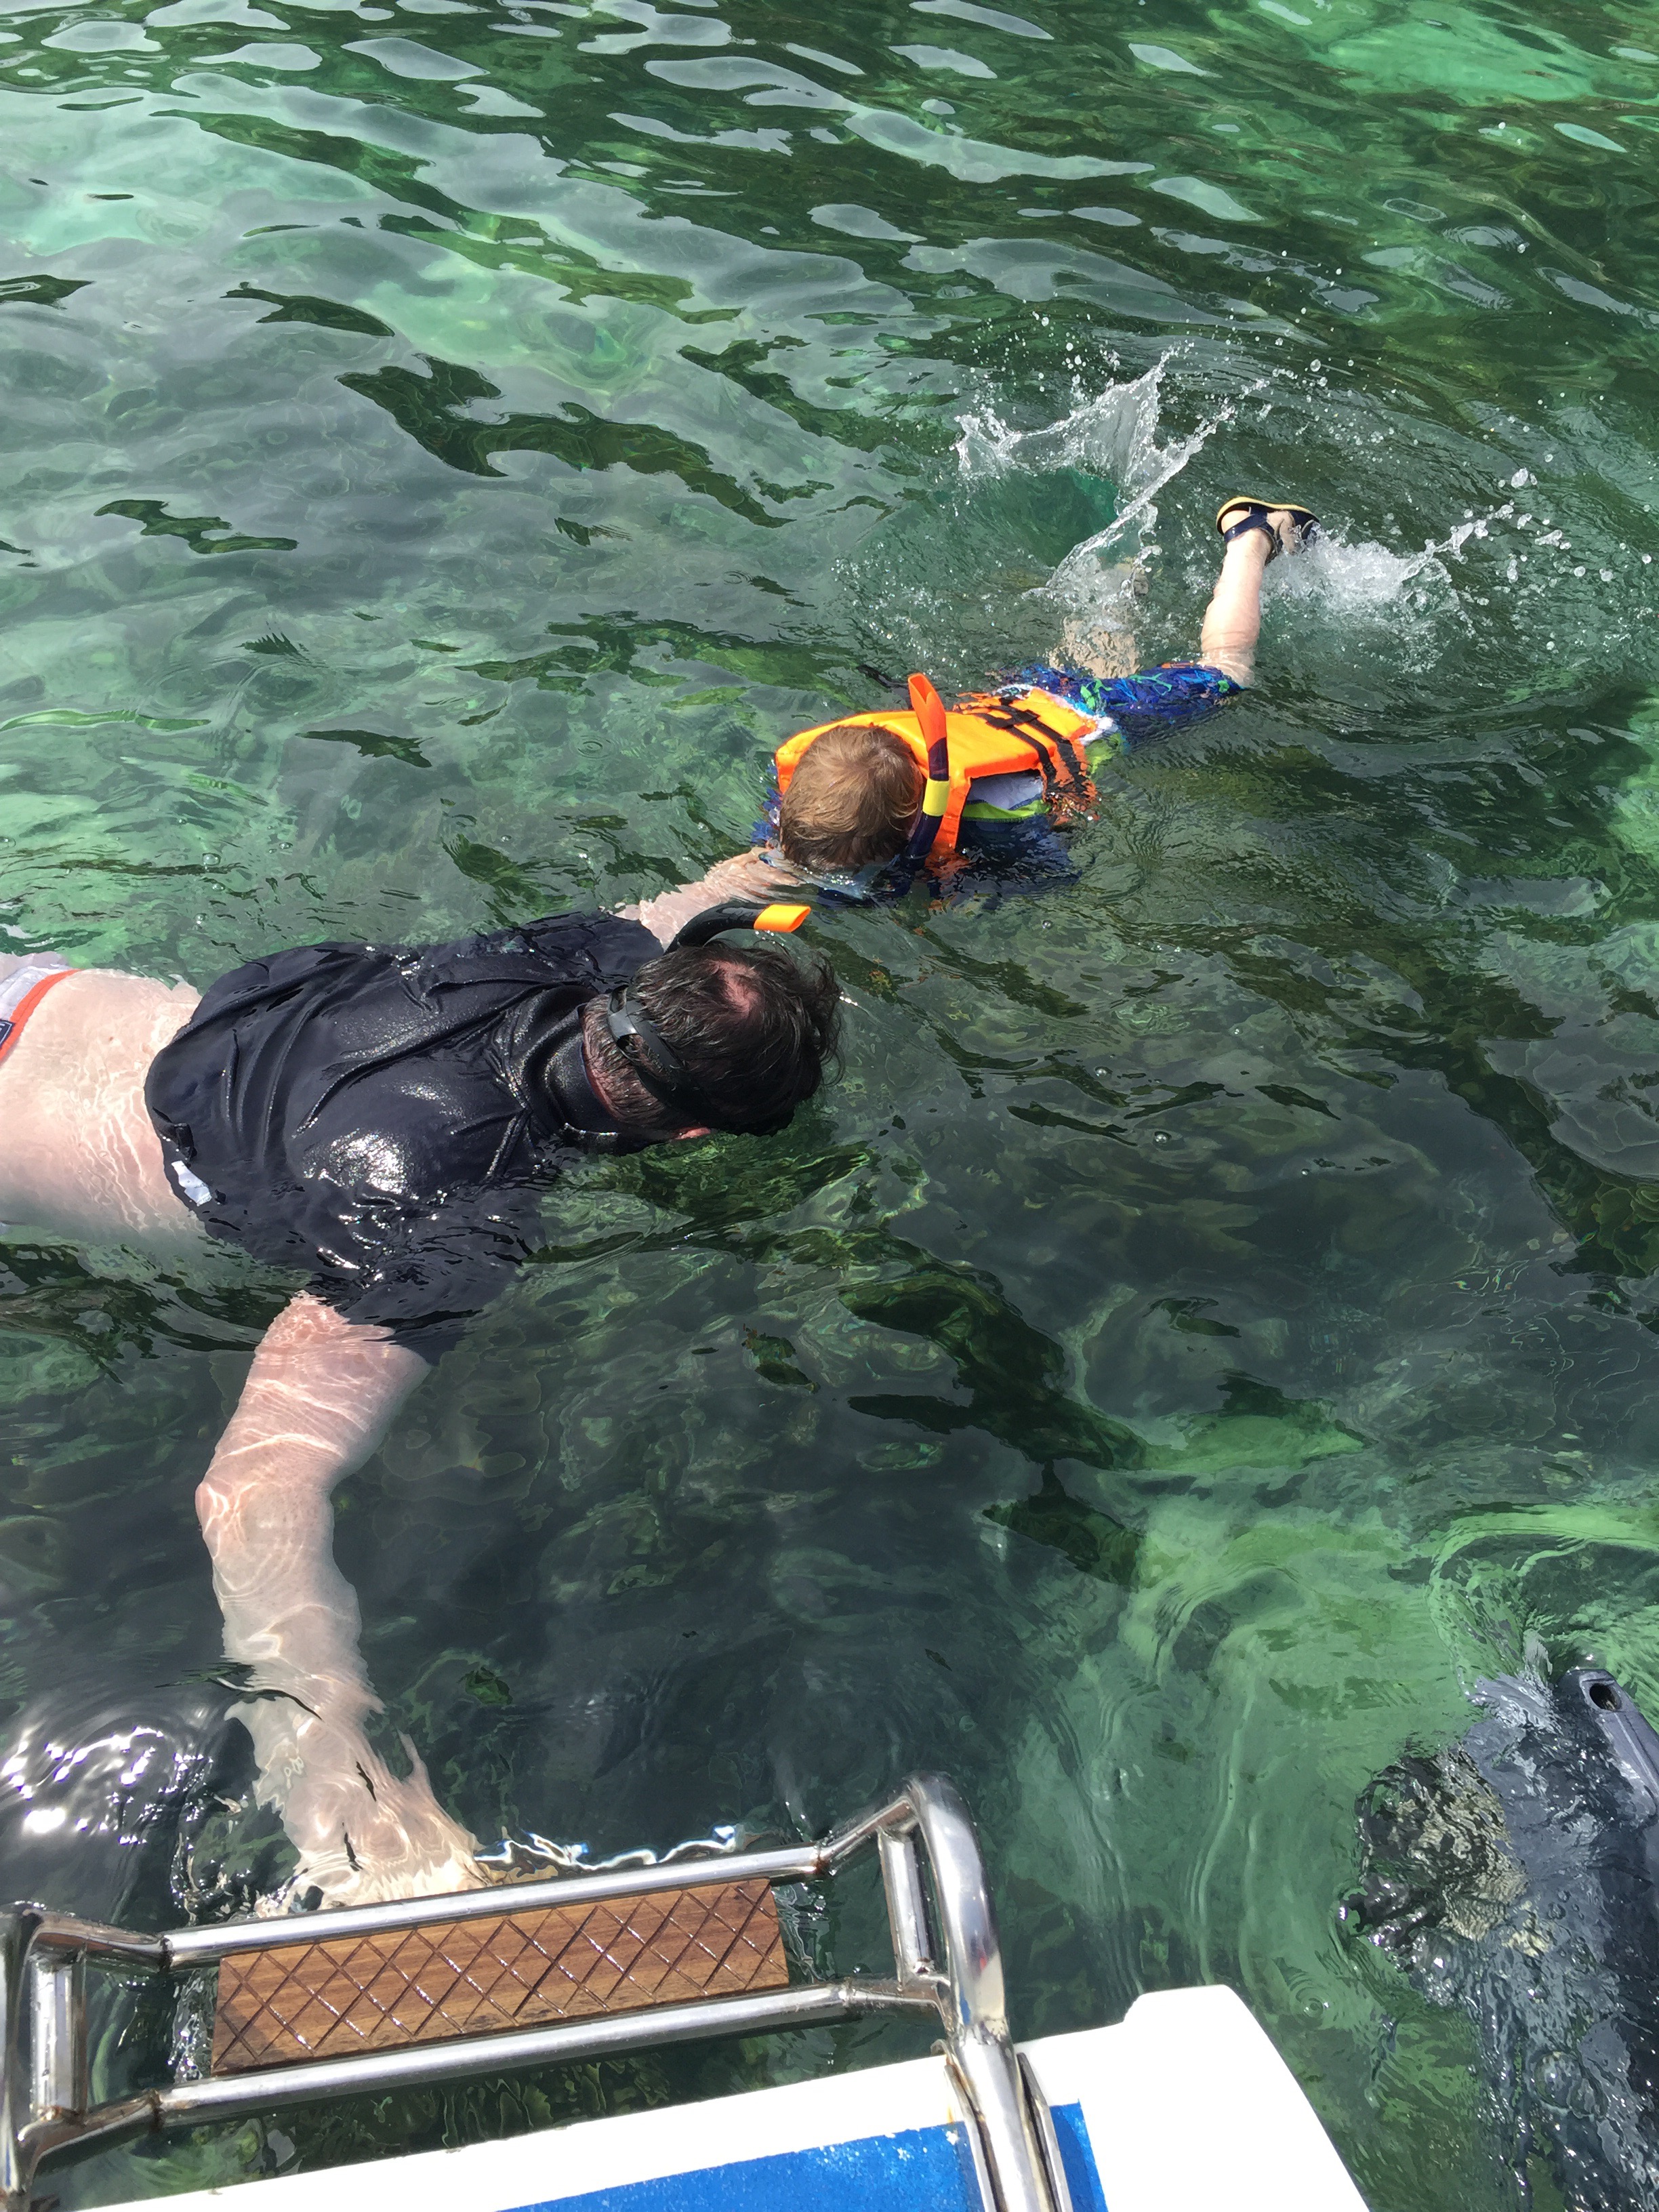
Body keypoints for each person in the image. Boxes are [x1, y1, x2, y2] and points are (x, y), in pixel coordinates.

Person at [0, 900, 838, 1904]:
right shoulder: (451, 1222)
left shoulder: (566, 960)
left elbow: (683, 907)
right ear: (696, 1130)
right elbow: (255, 1488)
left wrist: (813, 863)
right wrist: (332, 1761)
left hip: (36, 994)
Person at [637, 499, 1320, 940]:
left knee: (1227, 672)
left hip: (1092, 722)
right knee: (1086, 661)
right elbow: (757, 872)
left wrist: (962, 881)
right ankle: (1122, 575)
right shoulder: (813, 793)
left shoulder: (996, 812)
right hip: (1017, 701)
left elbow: (1053, 871)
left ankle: (1251, 535)